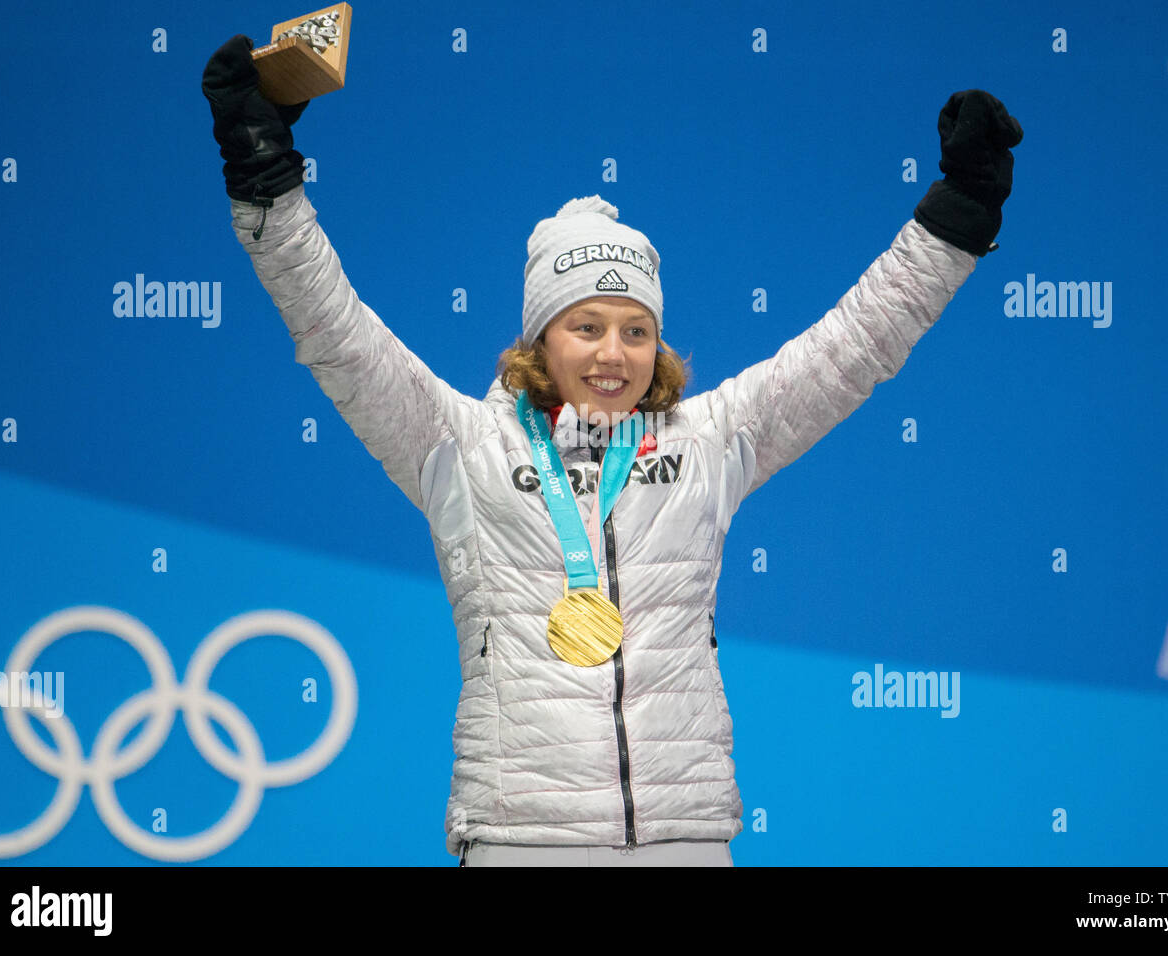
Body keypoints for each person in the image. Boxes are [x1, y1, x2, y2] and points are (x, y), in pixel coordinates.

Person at [201, 35, 1022, 867]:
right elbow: (335, 332)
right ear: (540, 339)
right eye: (585, 327)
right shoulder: (461, 445)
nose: (611, 353)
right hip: (522, 838)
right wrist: (266, 182)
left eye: (636, 331)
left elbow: (855, 345)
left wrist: (957, 218)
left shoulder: (707, 441)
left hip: (685, 835)